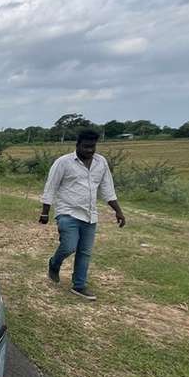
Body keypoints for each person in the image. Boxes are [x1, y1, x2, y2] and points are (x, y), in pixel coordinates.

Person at [38, 129, 125, 301]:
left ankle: (79, 285)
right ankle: (54, 263)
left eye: (92, 147)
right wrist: (45, 212)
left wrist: (118, 211)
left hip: (90, 215)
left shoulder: (101, 162)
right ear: (77, 145)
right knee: (69, 246)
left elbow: (107, 189)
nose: (89, 150)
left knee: (84, 252)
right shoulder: (63, 162)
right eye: (86, 147)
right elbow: (51, 187)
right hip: (67, 212)